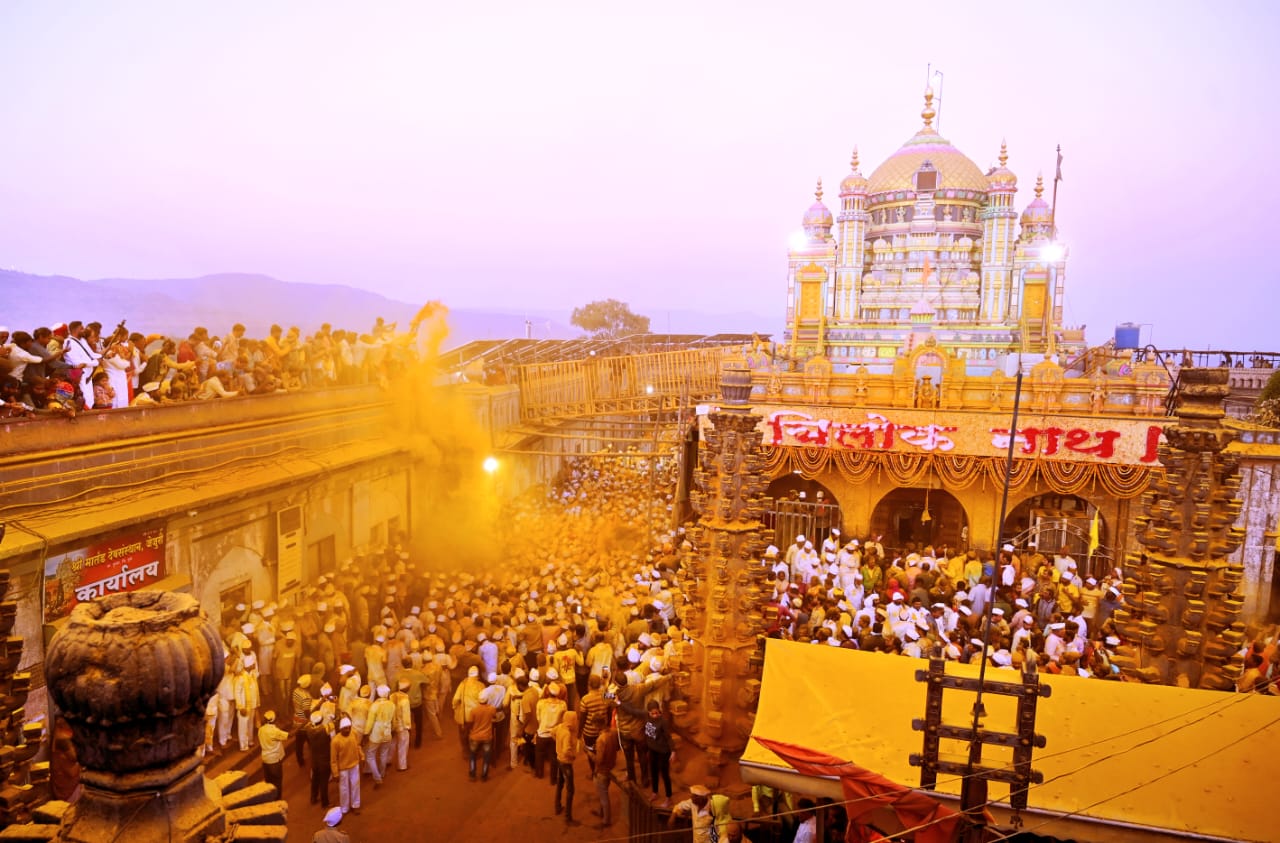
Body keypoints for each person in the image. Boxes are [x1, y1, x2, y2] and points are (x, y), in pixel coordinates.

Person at [553, 709, 581, 827]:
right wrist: (573, 755)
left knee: (560, 784)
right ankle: (568, 817)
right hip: (566, 763)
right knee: (571, 790)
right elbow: (566, 750)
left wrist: (557, 743)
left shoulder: (560, 727)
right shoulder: (567, 734)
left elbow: (552, 733)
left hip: (559, 759)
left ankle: (557, 806)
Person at [330, 716, 362, 816]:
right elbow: (333, 759)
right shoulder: (335, 741)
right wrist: (335, 773)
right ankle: (344, 808)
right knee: (344, 789)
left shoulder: (354, 734)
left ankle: (355, 805)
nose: (348, 729)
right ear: (340, 729)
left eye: (349, 727)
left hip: (354, 765)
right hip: (343, 768)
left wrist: (362, 756)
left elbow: (357, 746)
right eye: (345, 728)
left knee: (355, 786)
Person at [644, 699, 673, 805]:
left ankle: (668, 797)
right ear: (648, 712)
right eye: (653, 713)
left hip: (663, 751)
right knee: (653, 772)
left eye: (657, 712)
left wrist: (673, 751)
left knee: (665, 774)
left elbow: (668, 737)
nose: (655, 715)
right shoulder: (646, 717)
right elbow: (632, 710)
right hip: (653, 750)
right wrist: (619, 702)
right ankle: (654, 792)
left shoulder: (663, 722)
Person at [592, 723, 618, 829]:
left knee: (604, 796)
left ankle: (606, 821)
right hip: (610, 766)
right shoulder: (612, 733)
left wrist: (590, 754)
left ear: (597, 725)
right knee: (603, 792)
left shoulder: (601, 739)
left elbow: (599, 760)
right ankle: (601, 811)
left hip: (602, 770)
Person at [305, 711, 333, 808]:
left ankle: (313, 797)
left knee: (315, 779)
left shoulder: (308, 729)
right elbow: (334, 724)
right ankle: (325, 803)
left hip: (314, 758)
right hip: (324, 759)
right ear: (321, 720)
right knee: (324, 782)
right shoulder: (325, 730)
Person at [258, 710, 289, 796]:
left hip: (265, 760)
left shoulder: (261, 729)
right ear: (274, 720)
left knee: (269, 782)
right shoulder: (274, 731)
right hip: (274, 761)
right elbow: (288, 735)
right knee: (277, 782)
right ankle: (277, 801)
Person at [468, 693, 496, 782]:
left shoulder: (474, 710)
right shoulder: (492, 709)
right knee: (486, 756)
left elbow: (470, 723)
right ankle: (484, 776)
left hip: (475, 737)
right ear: (487, 700)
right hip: (487, 736)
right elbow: (494, 717)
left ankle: (472, 774)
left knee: (472, 755)